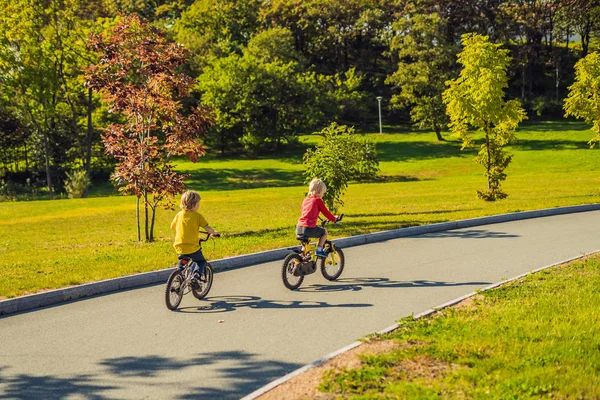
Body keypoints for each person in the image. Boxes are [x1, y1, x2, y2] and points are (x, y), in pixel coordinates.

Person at [171, 190, 220, 279]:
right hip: (192, 247)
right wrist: (214, 232)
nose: (199, 205)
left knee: (183, 260)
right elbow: (207, 228)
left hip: (179, 246)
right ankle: (196, 276)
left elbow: (172, 227)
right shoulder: (197, 216)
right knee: (200, 261)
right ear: (193, 204)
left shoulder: (179, 215)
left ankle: (178, 275)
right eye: (198, 203)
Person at [296, 178, 338, 258]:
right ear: (319, 191)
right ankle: (319, 249)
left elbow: (304, 211)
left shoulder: (306, 199)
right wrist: (334, 219)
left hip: (299, 227)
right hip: (308, 228)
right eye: (323, 193)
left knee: (305, 249)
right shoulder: (318, 200)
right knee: (324, 232)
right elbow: (326, 213)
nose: (322, 195)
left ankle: (302, 258)